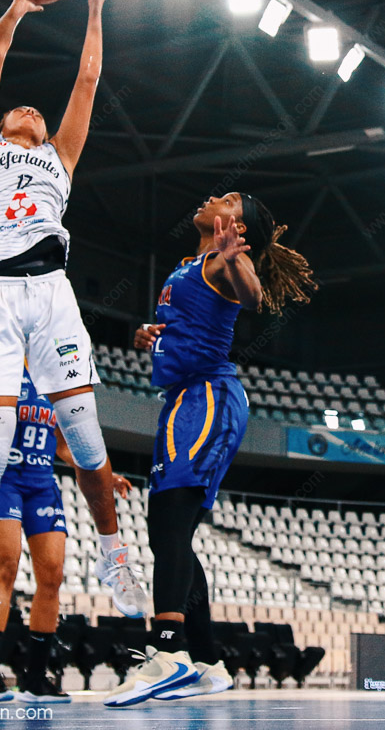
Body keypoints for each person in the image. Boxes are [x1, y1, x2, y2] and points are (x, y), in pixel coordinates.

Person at [0, 0, 146, 647]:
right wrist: (15, 9)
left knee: (88, 440)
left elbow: (88, 80)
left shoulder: (61, 155)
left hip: (52, 292)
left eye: (36, 110)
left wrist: (94, 6)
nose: (31, 109)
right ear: (1, 121)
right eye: (21, 108)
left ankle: (115, 555)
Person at [105, 192, 316, 707]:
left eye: (228, 200)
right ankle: (205, 661)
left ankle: (168, 651)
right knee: (171, 531)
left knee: (170, 521)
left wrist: (235, 258)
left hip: (208, 397)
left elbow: (253, 297)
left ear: (237, 227)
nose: (213, 197)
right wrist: (152, 336)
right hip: (182, 398)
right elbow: (190, 324)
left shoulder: (226, 263)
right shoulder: (189, 265)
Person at [0, 369, 132, 704]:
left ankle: (35, 679)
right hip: (5, 481)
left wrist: (102, 473)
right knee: (6, 567)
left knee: (52, 576)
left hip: (42, 484)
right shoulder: (2, 373)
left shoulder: (57, 383)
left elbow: (62, 445)